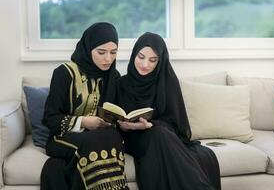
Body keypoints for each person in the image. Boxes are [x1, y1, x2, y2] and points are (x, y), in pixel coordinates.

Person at [116, 32, 221, 190]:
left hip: (160, 137)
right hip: (133, 140)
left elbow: (176, 124)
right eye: (141, 57)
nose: (145, 64)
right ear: (134, 55)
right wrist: (123, 126)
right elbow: (113, 119)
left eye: (153, 60)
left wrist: (150, 125)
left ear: (160, 61)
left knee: (159, 133)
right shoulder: (121, 83)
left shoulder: (167, 81)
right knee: (159, 135)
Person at [41, 22, 129, 190]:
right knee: (95, 140)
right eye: (101, 52)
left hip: (99, 136)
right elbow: (49, 118)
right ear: (88, 49)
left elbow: (115, 112)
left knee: (112, 136)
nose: (108, 59)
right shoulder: (64, 73)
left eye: (113, 52)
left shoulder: (113, 76)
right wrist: (83, 122)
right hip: (62, 137)